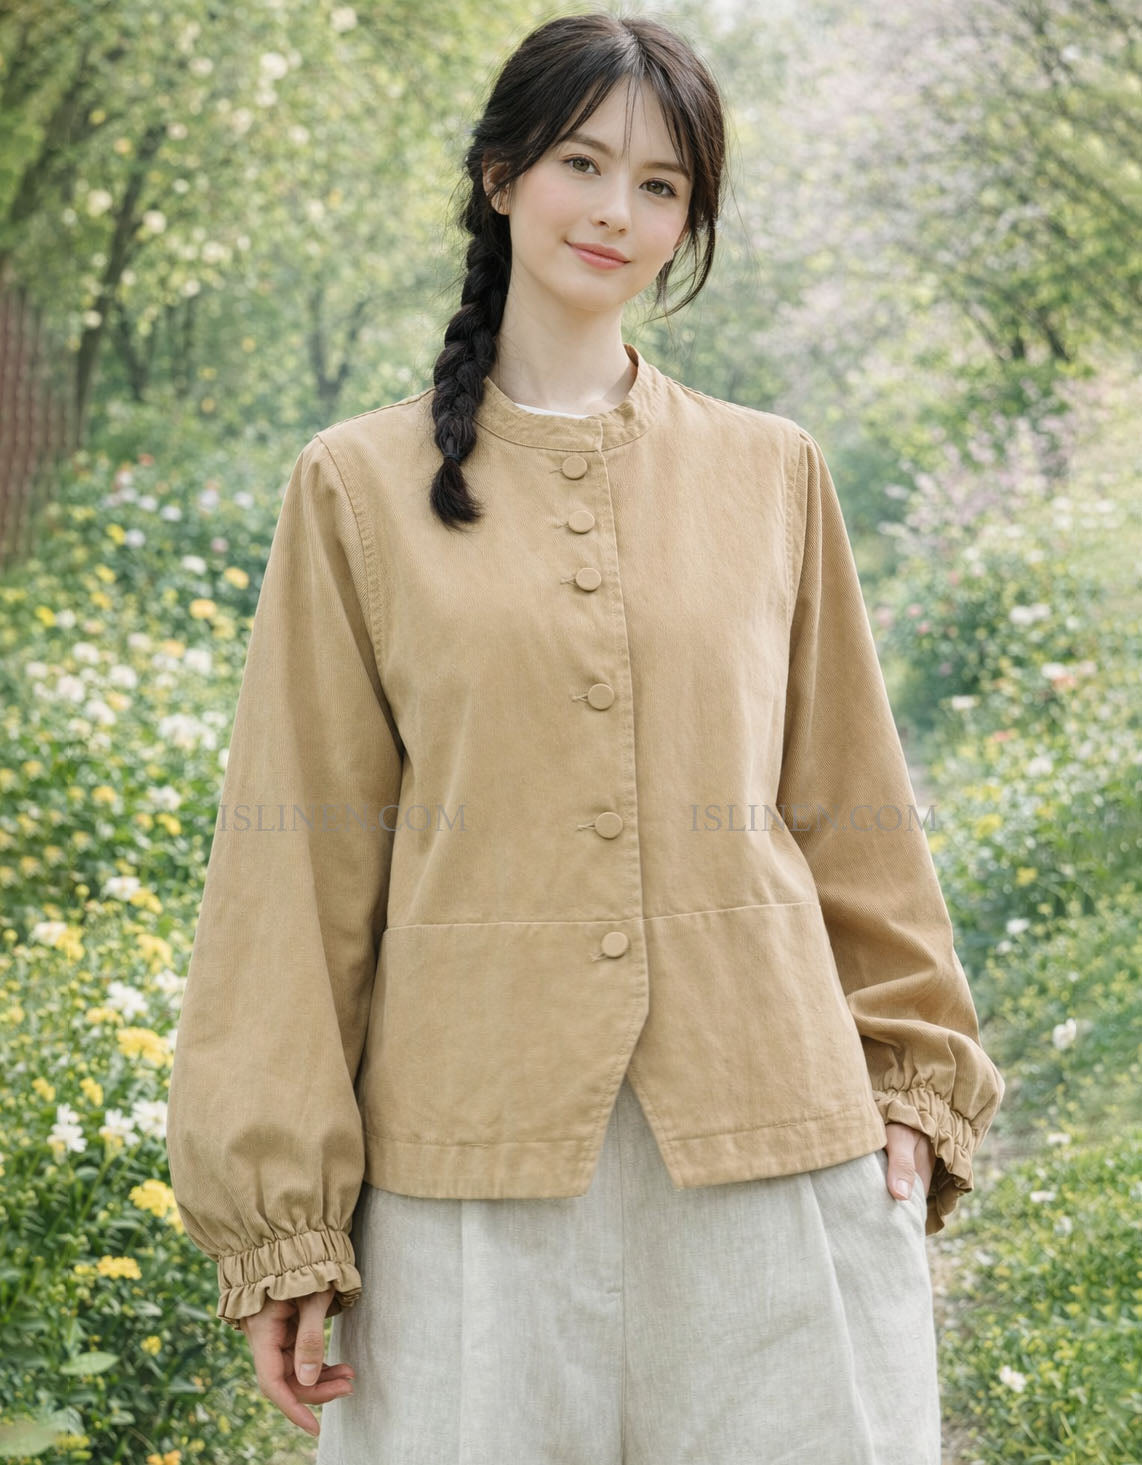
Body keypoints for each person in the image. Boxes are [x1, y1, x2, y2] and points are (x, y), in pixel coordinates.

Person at [165, 12, 1006, 1464]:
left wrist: (913, 1084)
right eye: (581, 161)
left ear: (689, 222)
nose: (617, 211)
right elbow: (294, 865)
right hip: (468, 1176)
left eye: (663, 185)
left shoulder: (771, 473)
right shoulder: (354, 489)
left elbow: (849, 803)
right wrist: (285, 1208)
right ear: (500, 175)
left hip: (773, 1152)